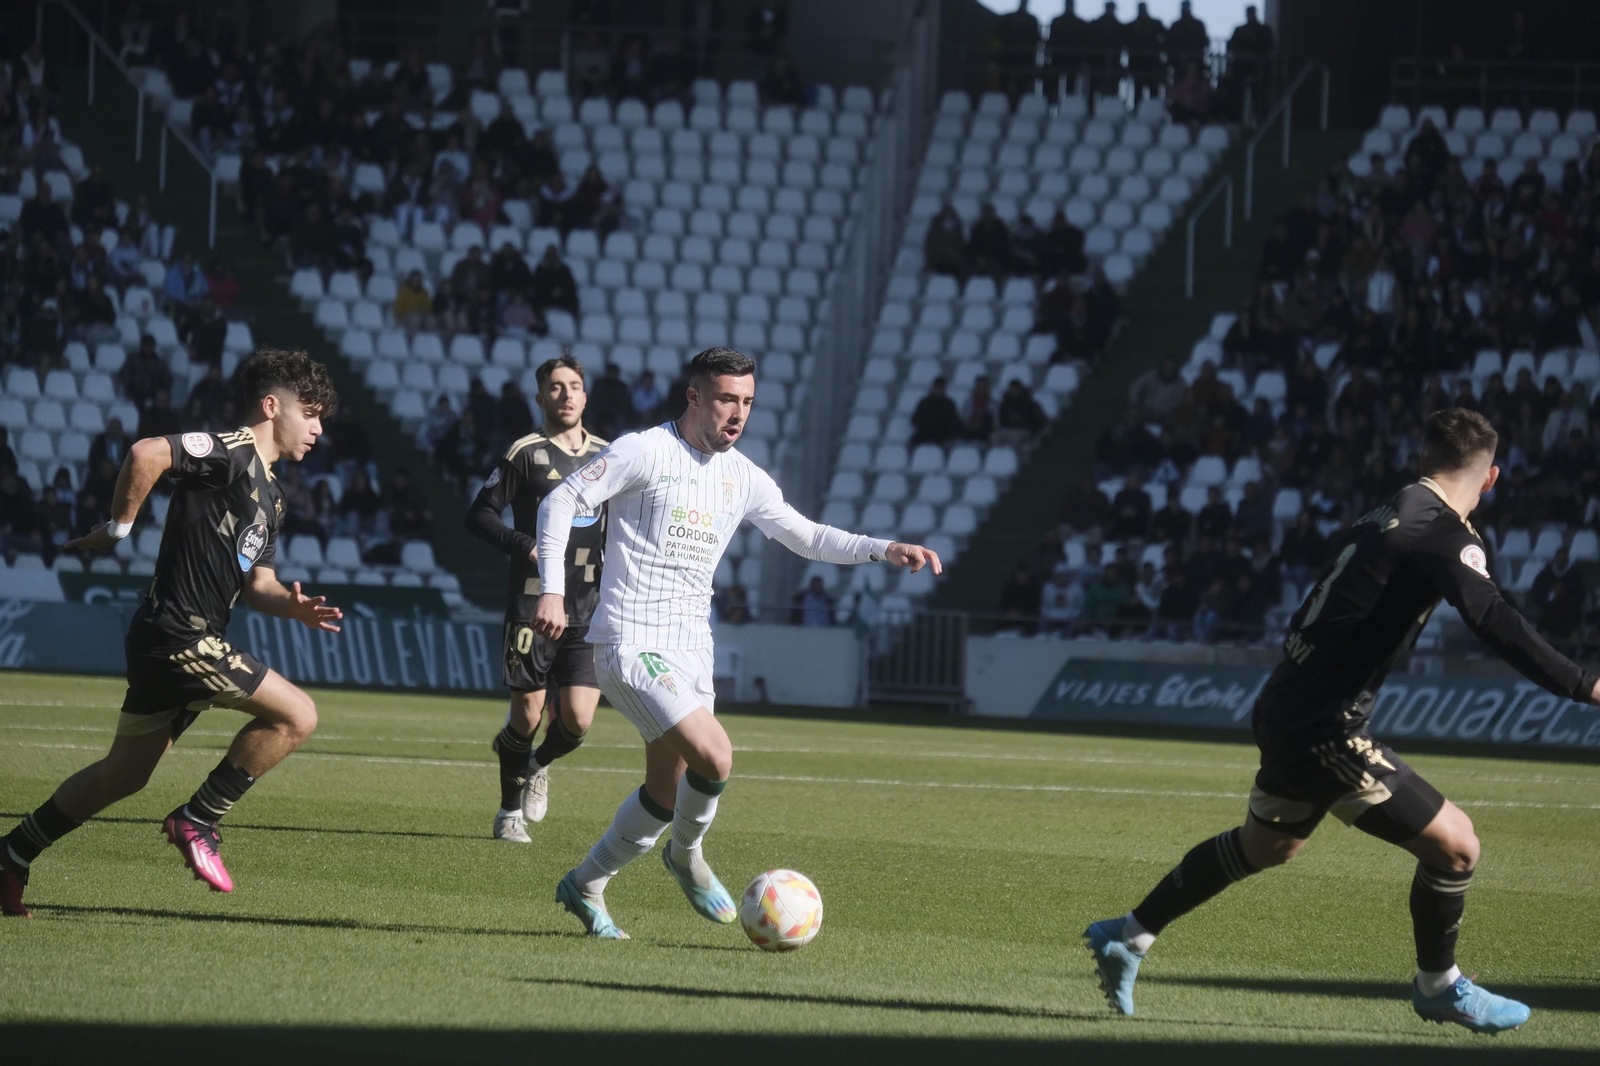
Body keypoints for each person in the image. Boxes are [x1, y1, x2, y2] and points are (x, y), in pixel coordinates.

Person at [1084, 409, 1594, 1033]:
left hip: (1286, 701)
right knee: (1457, 847)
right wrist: (1585, 684)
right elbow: (1494, 619)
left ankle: (1128, 935)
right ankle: (1439, 986)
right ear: (1491, 478)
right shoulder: (1442, 530)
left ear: (1424, 458)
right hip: (1324, 726)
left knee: (1268, 845)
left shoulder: (1387, 510)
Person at [532, 347, 942, 938]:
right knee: (717, 756)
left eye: (747, 401)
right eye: (727, 398)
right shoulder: (642, 451)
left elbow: (806, 536)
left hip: (691, 649)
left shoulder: (742, 476)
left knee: (664, 792)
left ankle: (586, 883)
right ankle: (686, 856)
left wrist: (883, 548)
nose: (738, 413)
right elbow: (560, 500)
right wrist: (552, 591)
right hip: (630, 640)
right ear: (694, 396)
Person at [0, 351, 343, 917]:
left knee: (122, 776)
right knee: (298, 716)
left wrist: (293, 606)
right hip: (180, 634)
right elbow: (147, 453)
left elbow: (259, 584)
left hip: (172, 636)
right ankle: (198, 819)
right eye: (310, 414)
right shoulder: (230, 451)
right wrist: (119, 528)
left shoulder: (273, 496)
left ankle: (12, 855)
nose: (318, 430)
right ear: (270, 406)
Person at [465, 356, 609, 843]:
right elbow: (480, 515)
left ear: (585, 396)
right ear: (540, 397)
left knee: (578, 720)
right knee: (526, 716)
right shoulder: (525, 452)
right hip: (532, 603)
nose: (566, 394)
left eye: (574, 386)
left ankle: (537, 763)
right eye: (555, 387)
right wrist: (525, 544)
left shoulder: (609, 456)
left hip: (590, 606)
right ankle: (509, 812)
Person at [910, 377, 964, 447]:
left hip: (943, 434)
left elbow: (954, 421)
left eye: (940, 388)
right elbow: (915, 419)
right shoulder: (924, 403)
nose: (937, 390)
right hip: (926, 432)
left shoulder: (949, 404)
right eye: (936, 387)